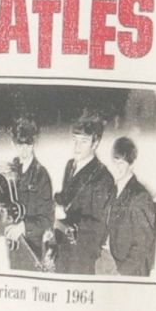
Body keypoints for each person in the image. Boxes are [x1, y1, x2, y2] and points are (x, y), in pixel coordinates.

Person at [51, 112, 115, 276]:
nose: (77, 147)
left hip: (83, 255)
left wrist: (67, 223)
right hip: (63, 244)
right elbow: (68, 198)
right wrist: (53, 201)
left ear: (95, 143)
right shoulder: (71, 165)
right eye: (75, 140)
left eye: (84, 141)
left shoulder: (103, 178)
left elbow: (99, 227)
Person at [0, 118, 54, 272]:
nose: (23, 151)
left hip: (33, 249)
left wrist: (23, 227)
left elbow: (47, 220)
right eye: (19, 145)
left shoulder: (41, 175)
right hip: (14, 246)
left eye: (28, 145)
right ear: (13, 144)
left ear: (34, 143)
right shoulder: (11, 170)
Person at [106, 136, 156, 276]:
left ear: (132, 164)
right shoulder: (114, 189)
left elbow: (142, 245)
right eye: (114, 162)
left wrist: (121, 273)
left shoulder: (140, 196)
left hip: (130, 271)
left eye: (121, 163)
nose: (116, 167)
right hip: (112, 260)